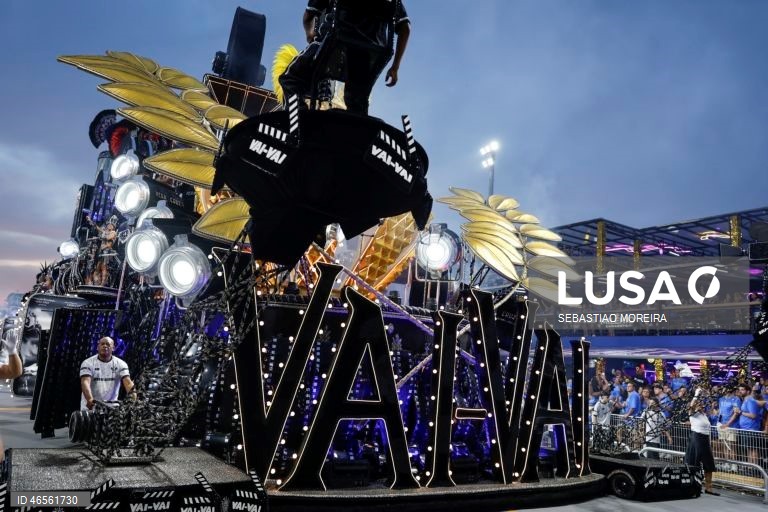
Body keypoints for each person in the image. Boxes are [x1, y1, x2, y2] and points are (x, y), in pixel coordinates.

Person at [279, 0, 411, 114]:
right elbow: (405, 28)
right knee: (357, 99)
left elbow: (308, 16)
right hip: (365, 58)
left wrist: (310, 34)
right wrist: (395, 67)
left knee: (290, 79)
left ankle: (299, 116)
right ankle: (357, 131)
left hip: (332, 45)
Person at [80, 336, 134, 411]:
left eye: (108, 344)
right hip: (90, 407)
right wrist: (89, 399)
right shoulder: (88, 363)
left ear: (113, 348)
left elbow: (128, 383)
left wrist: (134, 398)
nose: (105, 346)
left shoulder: (121, 364)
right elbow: (85, 382)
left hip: (112, 408)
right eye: (102, 344)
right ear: (97, 347)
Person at [684, 388, 719, 495]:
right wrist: (696, 394)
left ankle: (708, 488)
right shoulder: (692, 414)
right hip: (696, 438)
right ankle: (694, 486)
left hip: (705, 439)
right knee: (695, 463)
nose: (700, 405)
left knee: (709, 465)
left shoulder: (704, 415)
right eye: (697, 404)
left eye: (700, 404)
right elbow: (691, 406)